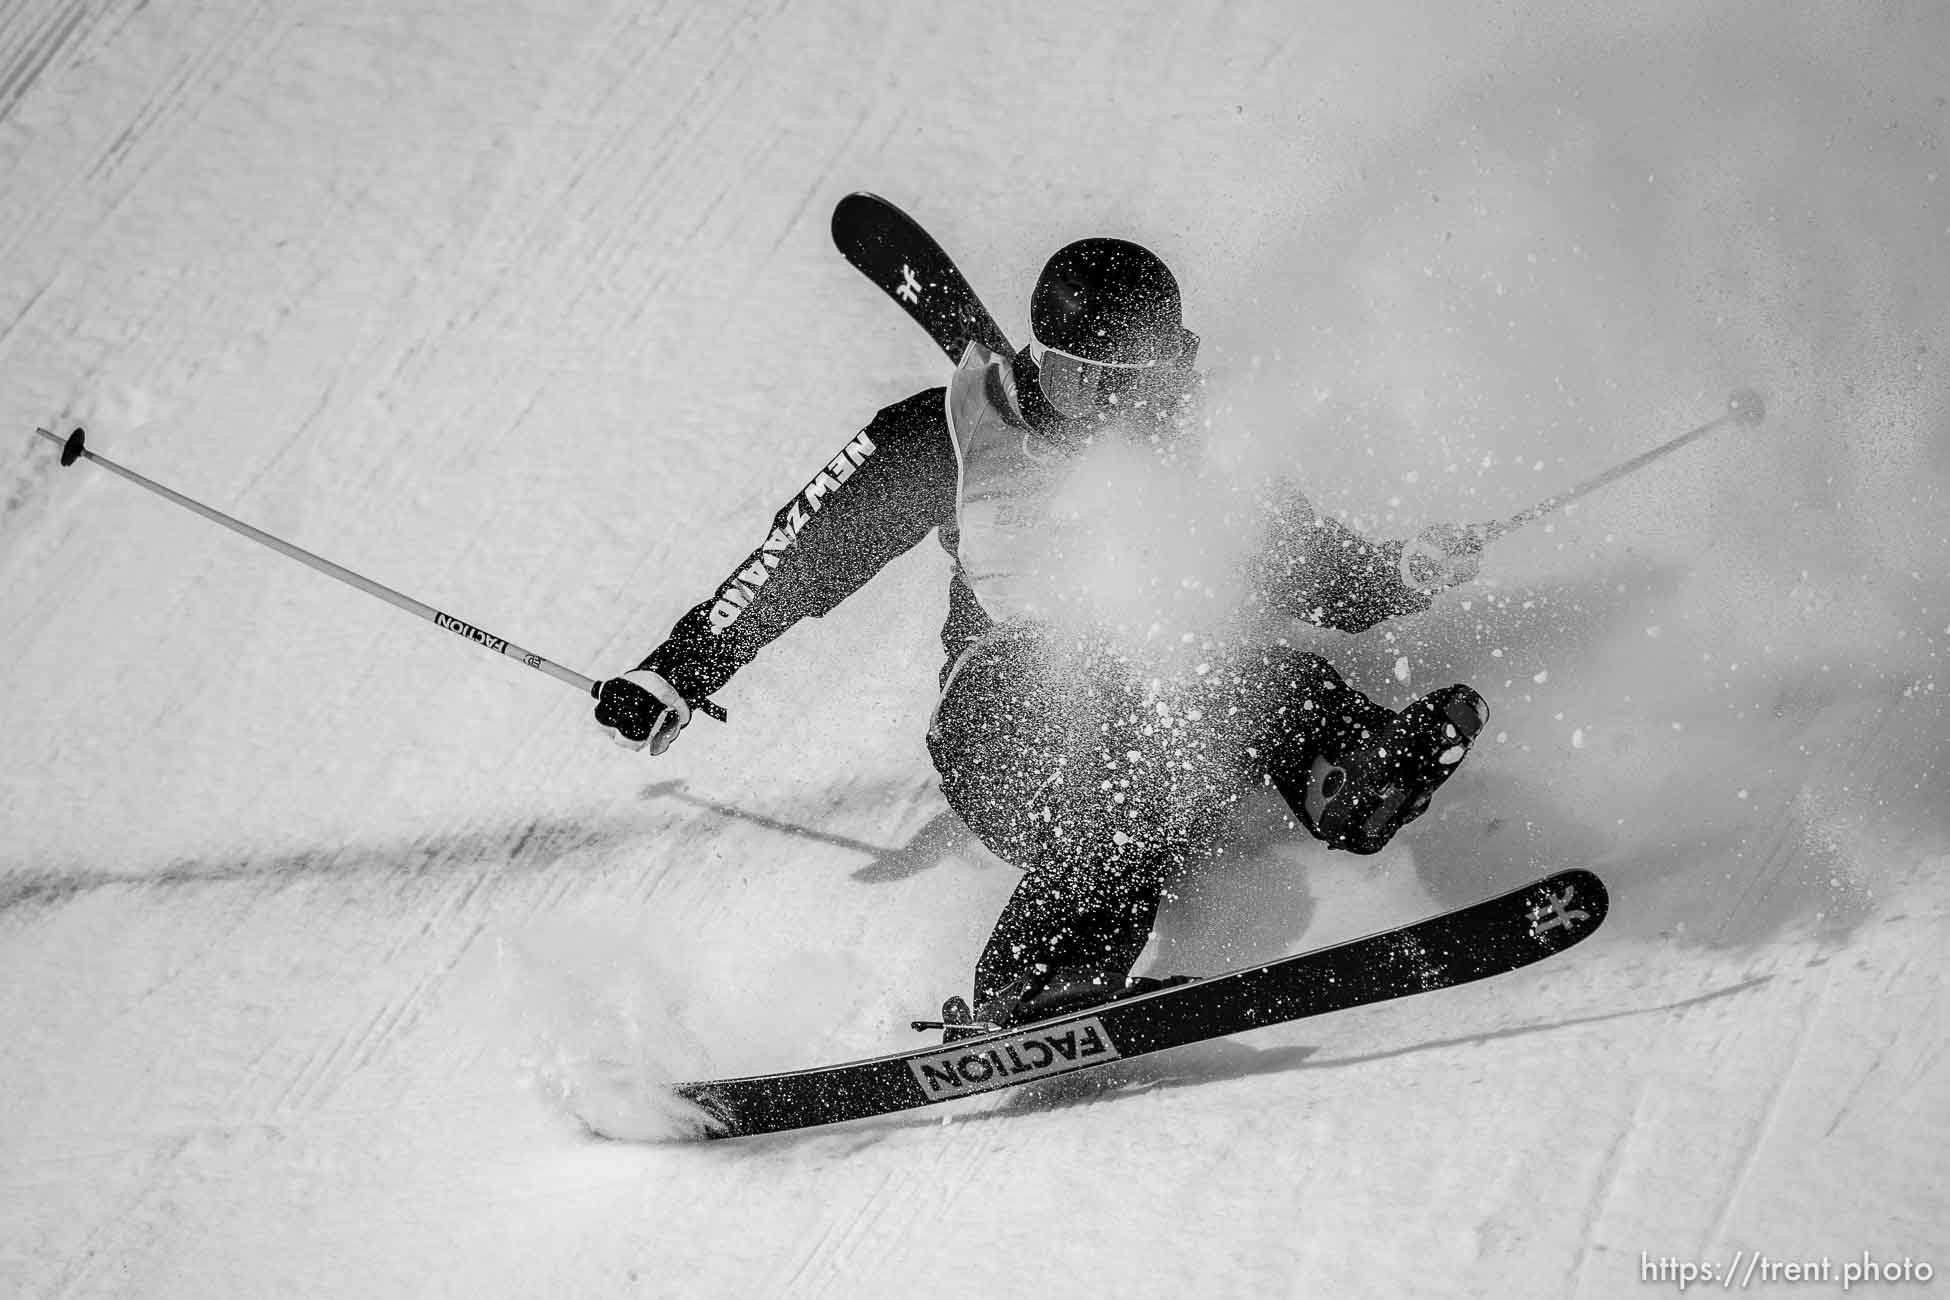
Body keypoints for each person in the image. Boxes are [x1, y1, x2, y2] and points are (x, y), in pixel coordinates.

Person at [592, 236, 1487, 1036]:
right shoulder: (952, 432)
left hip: (1171, 726)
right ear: (1053, 365)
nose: (1134, 405)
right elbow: (803, 554)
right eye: (1108, 383)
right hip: (1009, 726)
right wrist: (680, 667)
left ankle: (1350, 776)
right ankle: (1039, 979)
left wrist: (1397, 573)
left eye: (1154, 379)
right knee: (1104, 736)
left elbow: (1311, 569)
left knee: (1251, 672)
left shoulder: (1205, 442)